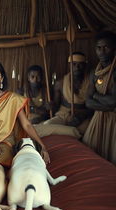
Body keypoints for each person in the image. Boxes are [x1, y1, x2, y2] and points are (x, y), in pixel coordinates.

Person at [0, 60, 50, 168]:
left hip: (4, 143)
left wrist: (42, 146)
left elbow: (27, 125)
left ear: (1, 79)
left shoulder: (13, 99)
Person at [82, 31, 116, 165]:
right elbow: (88, 102)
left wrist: (95, 95)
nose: (102, 51)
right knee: (93, 157)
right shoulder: (94, 73)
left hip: (113, 121)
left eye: (106, 47)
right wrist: (109, 105)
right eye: (98, 48)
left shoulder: (114, 72)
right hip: (98, 119)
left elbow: (114, 101)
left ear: (114, 49)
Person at [43, 52, 93, 135]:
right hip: (63, 115)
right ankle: (70, 132)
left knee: (88, 134)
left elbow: (92, 108)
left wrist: (81, 115)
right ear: (69, 65)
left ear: (85, 66)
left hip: (83, 117)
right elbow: (56, 105)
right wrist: (50, 106)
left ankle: (71, 132)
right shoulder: (60, 83)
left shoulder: (91, 82)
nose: (77, 67)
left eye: (80, 64)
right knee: (47, 125)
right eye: (74, 64)